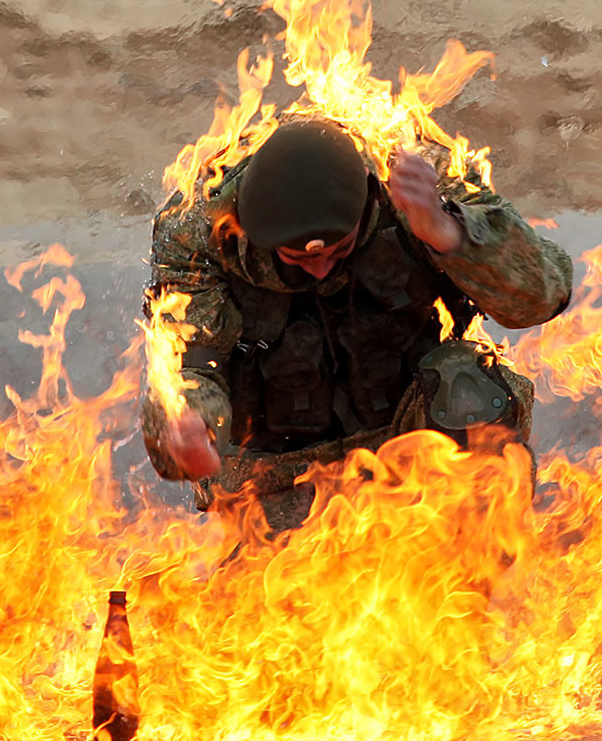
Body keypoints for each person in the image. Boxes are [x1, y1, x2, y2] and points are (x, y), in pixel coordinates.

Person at [141, 117, 574, 529]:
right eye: (299, 259)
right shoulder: (196, 230)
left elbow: (544, 294)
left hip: (413, 441)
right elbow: (188, 362)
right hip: (278, 475)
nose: (320, 270)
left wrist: (445, 230)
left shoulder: (415, 179)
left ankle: (467, 582)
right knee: (290, 600)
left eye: (338, 250)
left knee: (470, 389)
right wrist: (189, 424)